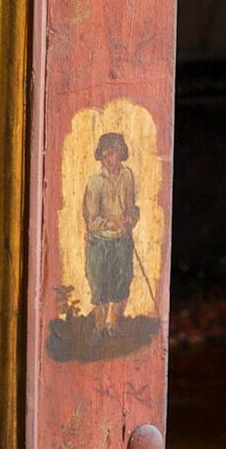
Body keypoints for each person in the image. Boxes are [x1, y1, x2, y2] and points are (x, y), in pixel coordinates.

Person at [83, 131, 139, 339]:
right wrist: (109, 223)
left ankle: (114, 325)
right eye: (104, 155)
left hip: (122, 240)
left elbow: (132, 207)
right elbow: (91, 219)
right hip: (100, 242)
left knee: (122, 281)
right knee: (99, 283)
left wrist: (131, 218)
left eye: (112, 153)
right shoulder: (95, 181)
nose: (108, 159)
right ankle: (98, 327)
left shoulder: (127, 176)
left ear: (121, 153)